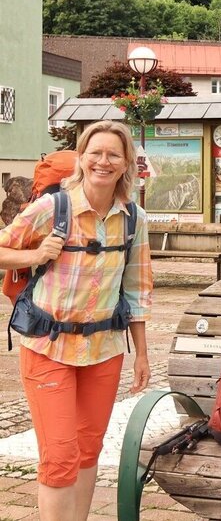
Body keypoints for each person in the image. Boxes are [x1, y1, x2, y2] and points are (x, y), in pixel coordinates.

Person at [0, 120, 152, 521]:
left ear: (126, 164)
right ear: (82, 158)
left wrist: (142, 355)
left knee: (89, 449)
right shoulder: (54, 207)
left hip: (104, 351)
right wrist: (34, 256)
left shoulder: (134, 218)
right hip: (49, 347)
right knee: (60, 455)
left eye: (113, 155)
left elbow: (137, 290)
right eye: (95, 153)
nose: (103, 161)